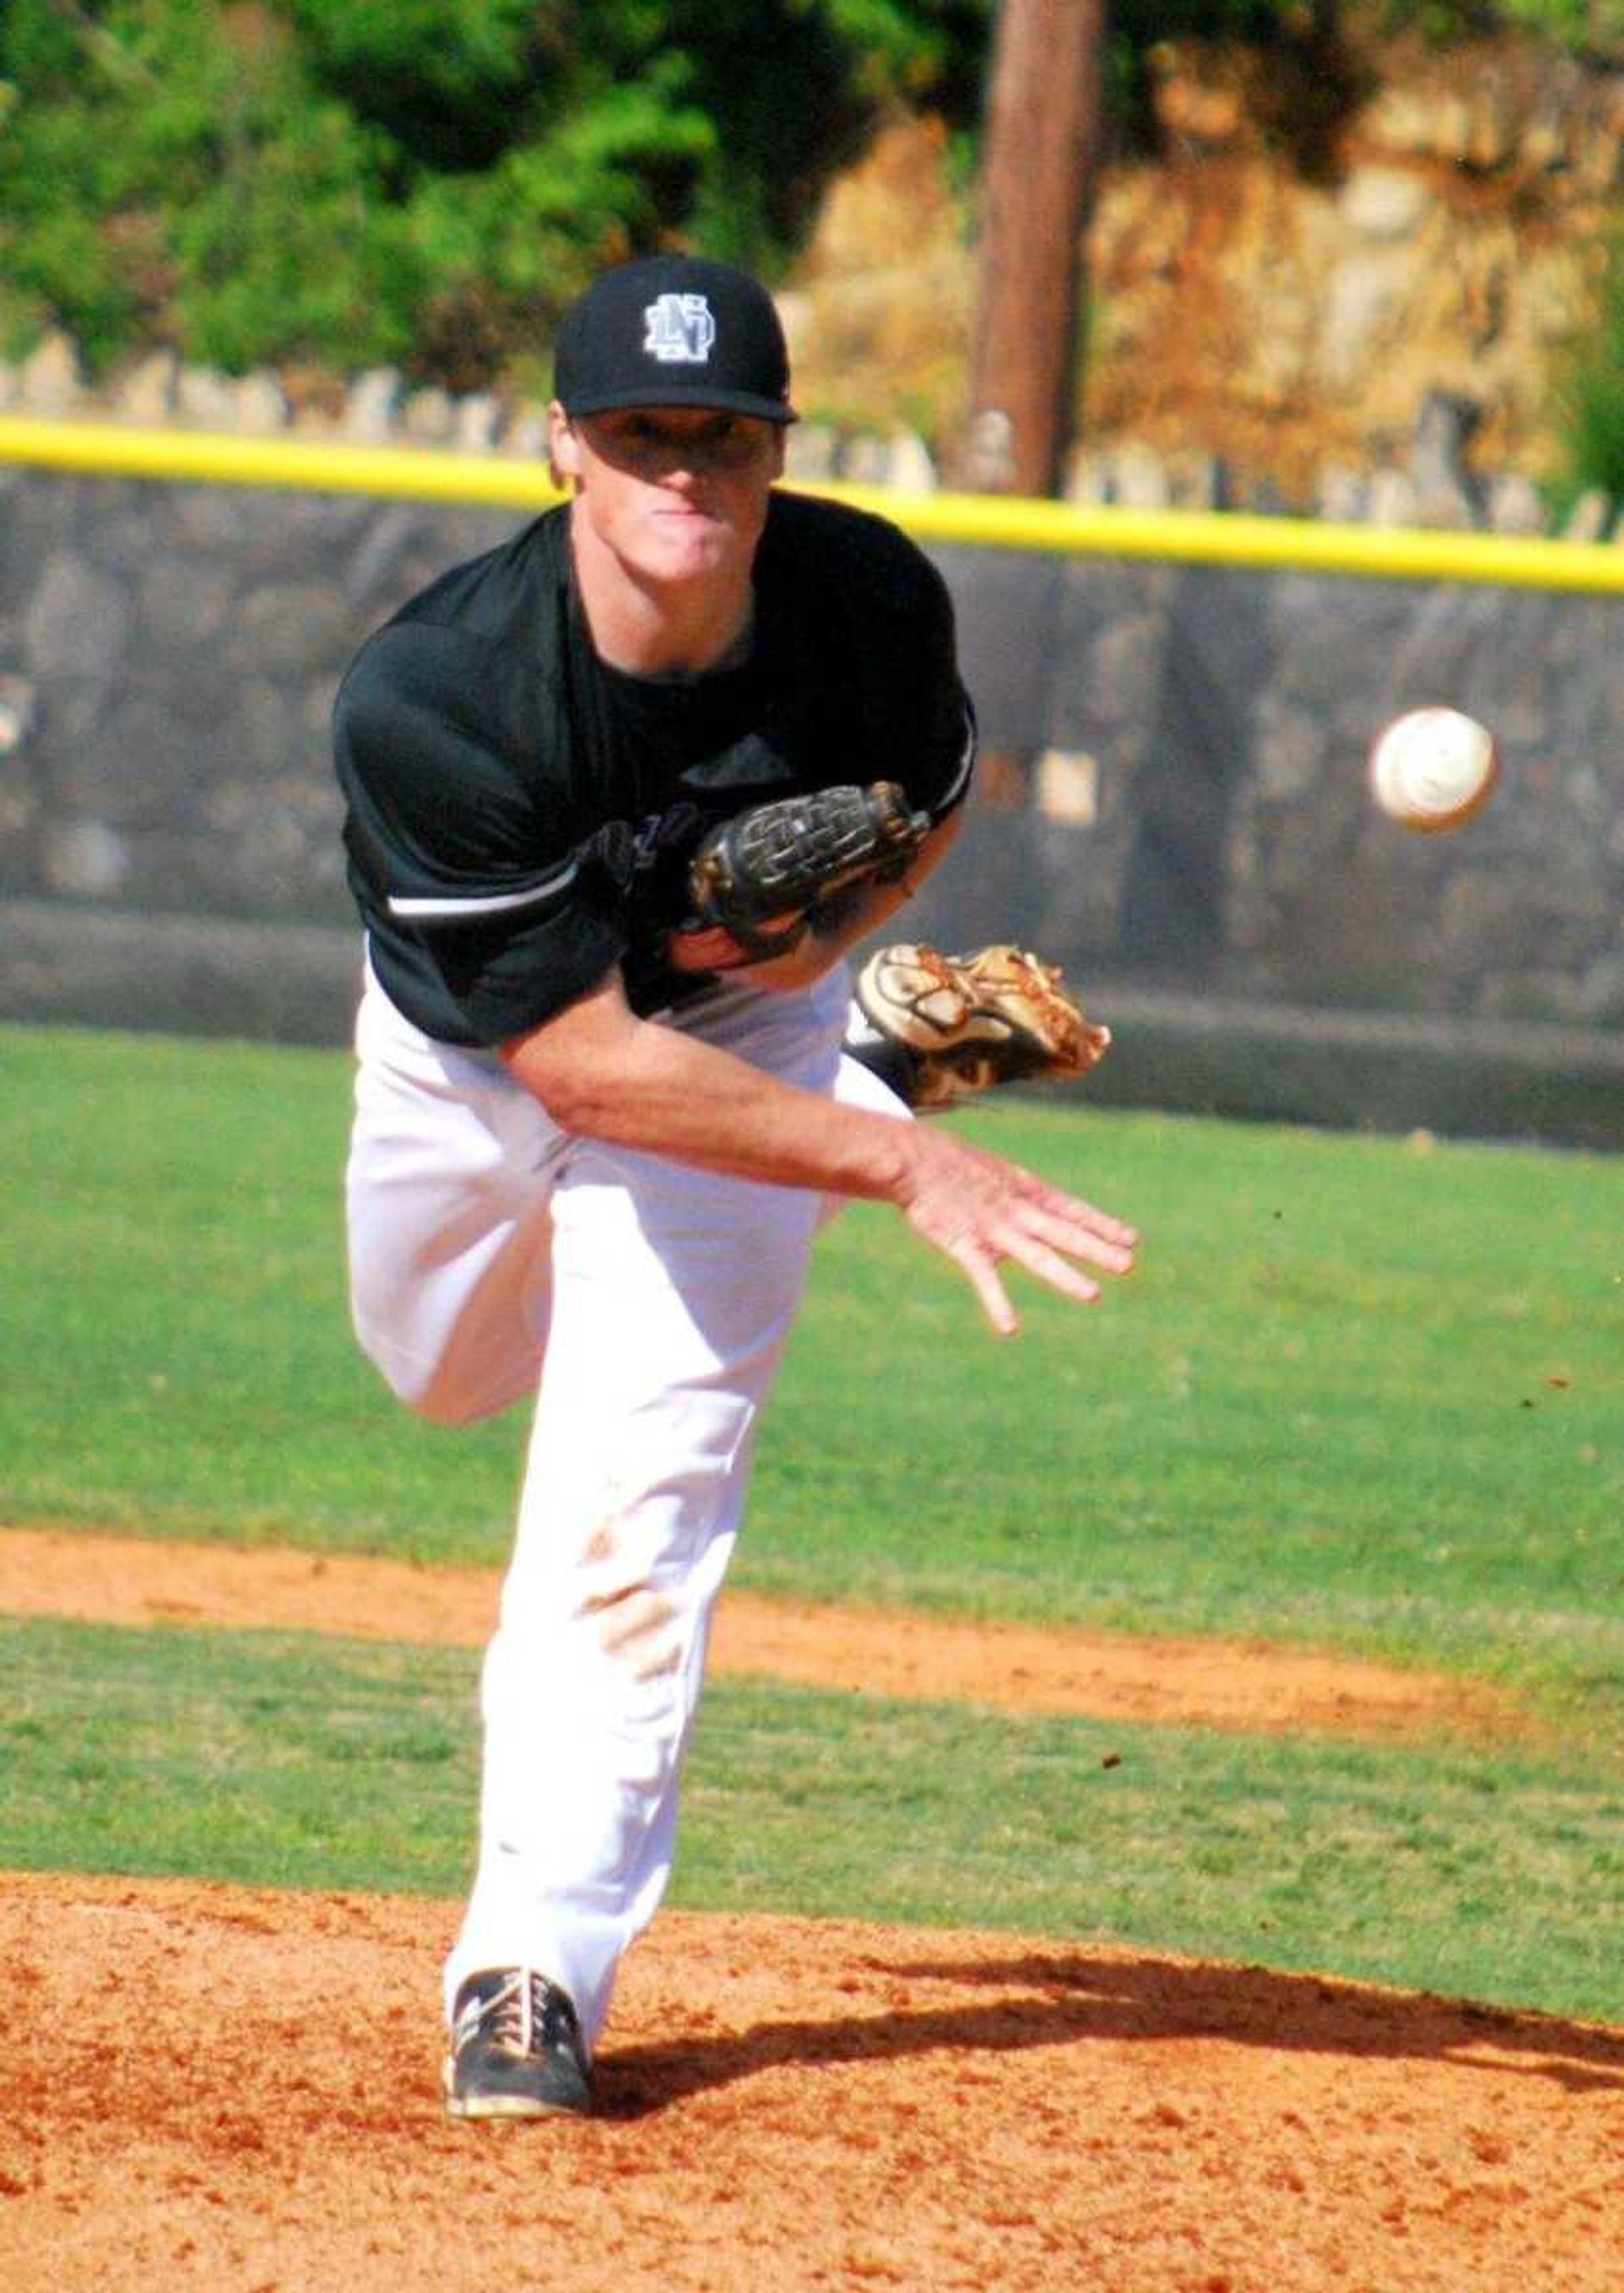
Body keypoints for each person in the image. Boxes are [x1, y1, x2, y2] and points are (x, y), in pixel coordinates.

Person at [333, 252, 1137, 2121]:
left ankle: (535, 1962)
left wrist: (833, 934)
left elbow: (922, 811)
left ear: (778, 454)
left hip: (740, 1049)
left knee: (645, 1483)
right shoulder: (442, 696)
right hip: (486, 1051)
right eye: (642, 434)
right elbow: (578, 1063)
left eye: (725, 436)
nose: (683, 472)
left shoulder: (865, 602)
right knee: (444, 1372)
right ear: (565, 449)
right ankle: (882, 1063)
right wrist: (896, 1151)